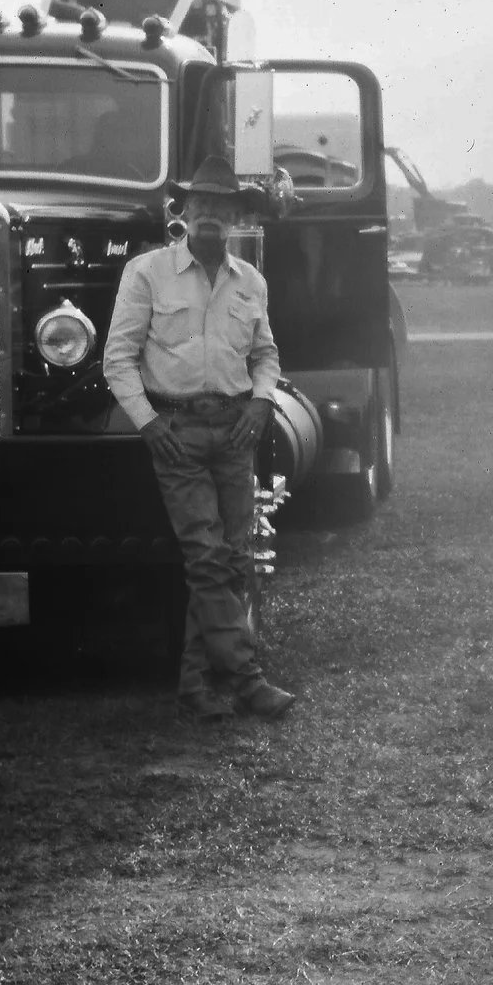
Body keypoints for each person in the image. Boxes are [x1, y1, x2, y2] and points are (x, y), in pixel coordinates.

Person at [102, 161, 298, 720]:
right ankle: (247, 677)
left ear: (235, 217)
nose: (210, 215)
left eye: (221, 207)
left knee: (231, 561)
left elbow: (265, 355)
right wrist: (149, 423)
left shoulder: (250, 282)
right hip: (176, 434)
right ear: (183, 213)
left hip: (237, 431)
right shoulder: (146, 273)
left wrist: (262, 402)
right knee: (208, 557)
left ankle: (194, 683)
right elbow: (117, 360)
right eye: (200, 206)